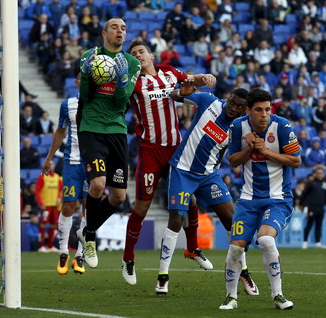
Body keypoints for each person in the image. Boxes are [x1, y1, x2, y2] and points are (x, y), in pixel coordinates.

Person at [122, 38, 218, 285]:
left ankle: (192, 248)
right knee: (142, 206)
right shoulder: (133, 82)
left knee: (190, 199)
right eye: (133, 54)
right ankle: (128, 258)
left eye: (141, 52)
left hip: (176, 148)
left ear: (151, 55)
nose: (138, 56)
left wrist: (204, 76)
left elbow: (189, 79)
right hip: (151, 151)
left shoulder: (167, 72)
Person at [155, 84, 256, 296]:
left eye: (239, 107)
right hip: (182, 169)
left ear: (244, 110)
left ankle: (243, 272)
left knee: (232, 219)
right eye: (232, 103)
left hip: (209, 176)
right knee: (176, 218)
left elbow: (230, 158)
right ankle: (162, 277)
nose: (233, 109)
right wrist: (182, 90)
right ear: (227, 99)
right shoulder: (208, 101)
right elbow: (175, 96)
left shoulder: (238, 129)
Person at [219, 88, 301, 310]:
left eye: (267, 109)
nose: (264, 114)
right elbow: (233, 161)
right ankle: (231, 298)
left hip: (278, 198)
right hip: (248, 199)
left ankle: (278, 295)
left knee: (266, 240)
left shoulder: (282, 126)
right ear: (248, 111)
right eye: (258, 110)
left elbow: (296, 161)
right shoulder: (237, 127)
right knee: (235, 248)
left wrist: (265, 151)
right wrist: (249, 148)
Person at [76, 17, 141, 268]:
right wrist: (87, 75)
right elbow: (85, 96)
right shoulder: (89, 56)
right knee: (97, 185)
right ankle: (90, 237)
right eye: (115, 27)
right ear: (105, 32)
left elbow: (120, 104)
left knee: (118, 196)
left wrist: (122, 80)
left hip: (117, 130)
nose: (120, 31)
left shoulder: (131, 63)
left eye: (124, 28)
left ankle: (87, 229)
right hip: (91, 128)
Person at [42, 73, 87, 275]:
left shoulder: (101, 103)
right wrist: (49, 157)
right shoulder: (67, 104)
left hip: (93, 162)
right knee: (69, 205)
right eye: (82, 78)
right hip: (72, 161)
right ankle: (63, 251)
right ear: (77, 82)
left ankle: (80, 254)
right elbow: (60, 131)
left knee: (89, 209)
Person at [36, 159, 63, 252]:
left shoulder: (57, 177)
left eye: (52, 164)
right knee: (43, 224)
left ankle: (50, 246)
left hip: (55, 206)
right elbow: (37, 191)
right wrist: (41, 203)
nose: (51, 166)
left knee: (54, 225)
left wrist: (60, 197)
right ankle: (41, 246)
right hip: (46, 205)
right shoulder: (42, 176)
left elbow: (60, 190)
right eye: (49, 164)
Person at [301, 166, 326, 249]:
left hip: (321, 208)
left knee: (319, 225)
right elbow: (304, 194)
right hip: (312, 208)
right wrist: (304, 205)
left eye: (321, 173)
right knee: (309, 225)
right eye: (318, 173)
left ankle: (318, 242)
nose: (320, 175)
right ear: (315, 174)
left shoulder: (325, 184)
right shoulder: (311, 183)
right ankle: (305, 242)